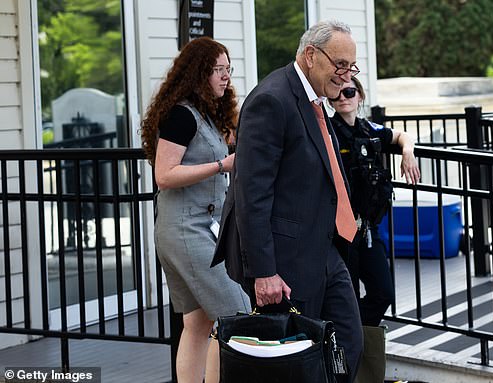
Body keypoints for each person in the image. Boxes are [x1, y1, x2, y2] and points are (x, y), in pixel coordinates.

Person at [212, 20, 363, 382]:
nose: (346, 77)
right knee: (294, 361)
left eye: (351, 67)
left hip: (325, 248)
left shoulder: (314, 100)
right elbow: (251, 193)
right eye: (340, 65)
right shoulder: (271, 99)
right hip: (283, 261)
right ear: (311, 56)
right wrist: (264, 271)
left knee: (348, 342)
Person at [140, 37, 250, 383]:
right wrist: (221, 165)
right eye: (219, 69)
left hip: (190, 231)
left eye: (228, 69)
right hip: (187, 231)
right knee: (237, 315)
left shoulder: (205, 115)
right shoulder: (181, 116)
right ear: (199, 73)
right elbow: (164, 175)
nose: (226, 76)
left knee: (198, 322)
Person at [328, 77, 420, 326]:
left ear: (360, 96)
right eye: (336, 93)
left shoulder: (370, 129)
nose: (343, 97)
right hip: (341, 232)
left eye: (348, 91)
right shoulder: (327, 132)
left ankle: (358, 339)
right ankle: (348, 351)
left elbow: (403, 135)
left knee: (383, 293)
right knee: (347, 297)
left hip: (369, 228)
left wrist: (407, 152)